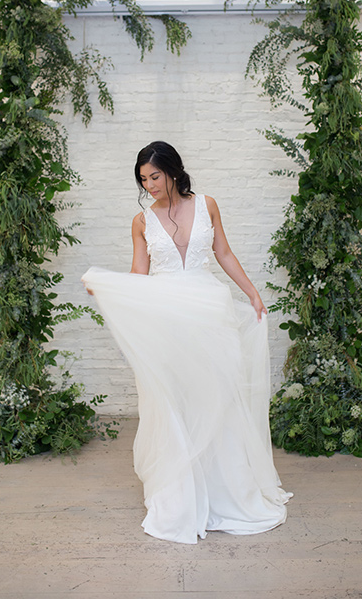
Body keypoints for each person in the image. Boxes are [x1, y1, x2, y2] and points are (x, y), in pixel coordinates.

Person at [82, 141, 291, 544]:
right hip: (166, 316)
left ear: (173, 171)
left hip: (209, 311)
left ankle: (226, 493)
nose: (150, 185)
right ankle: (181, 498)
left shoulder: (208, 204)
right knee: (174, 400)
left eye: (155, 177)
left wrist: (251, 292)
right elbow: (139, 275)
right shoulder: (141, 221)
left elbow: (223, 252)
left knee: (217, 396)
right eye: (143, 180)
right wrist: (111, 290)